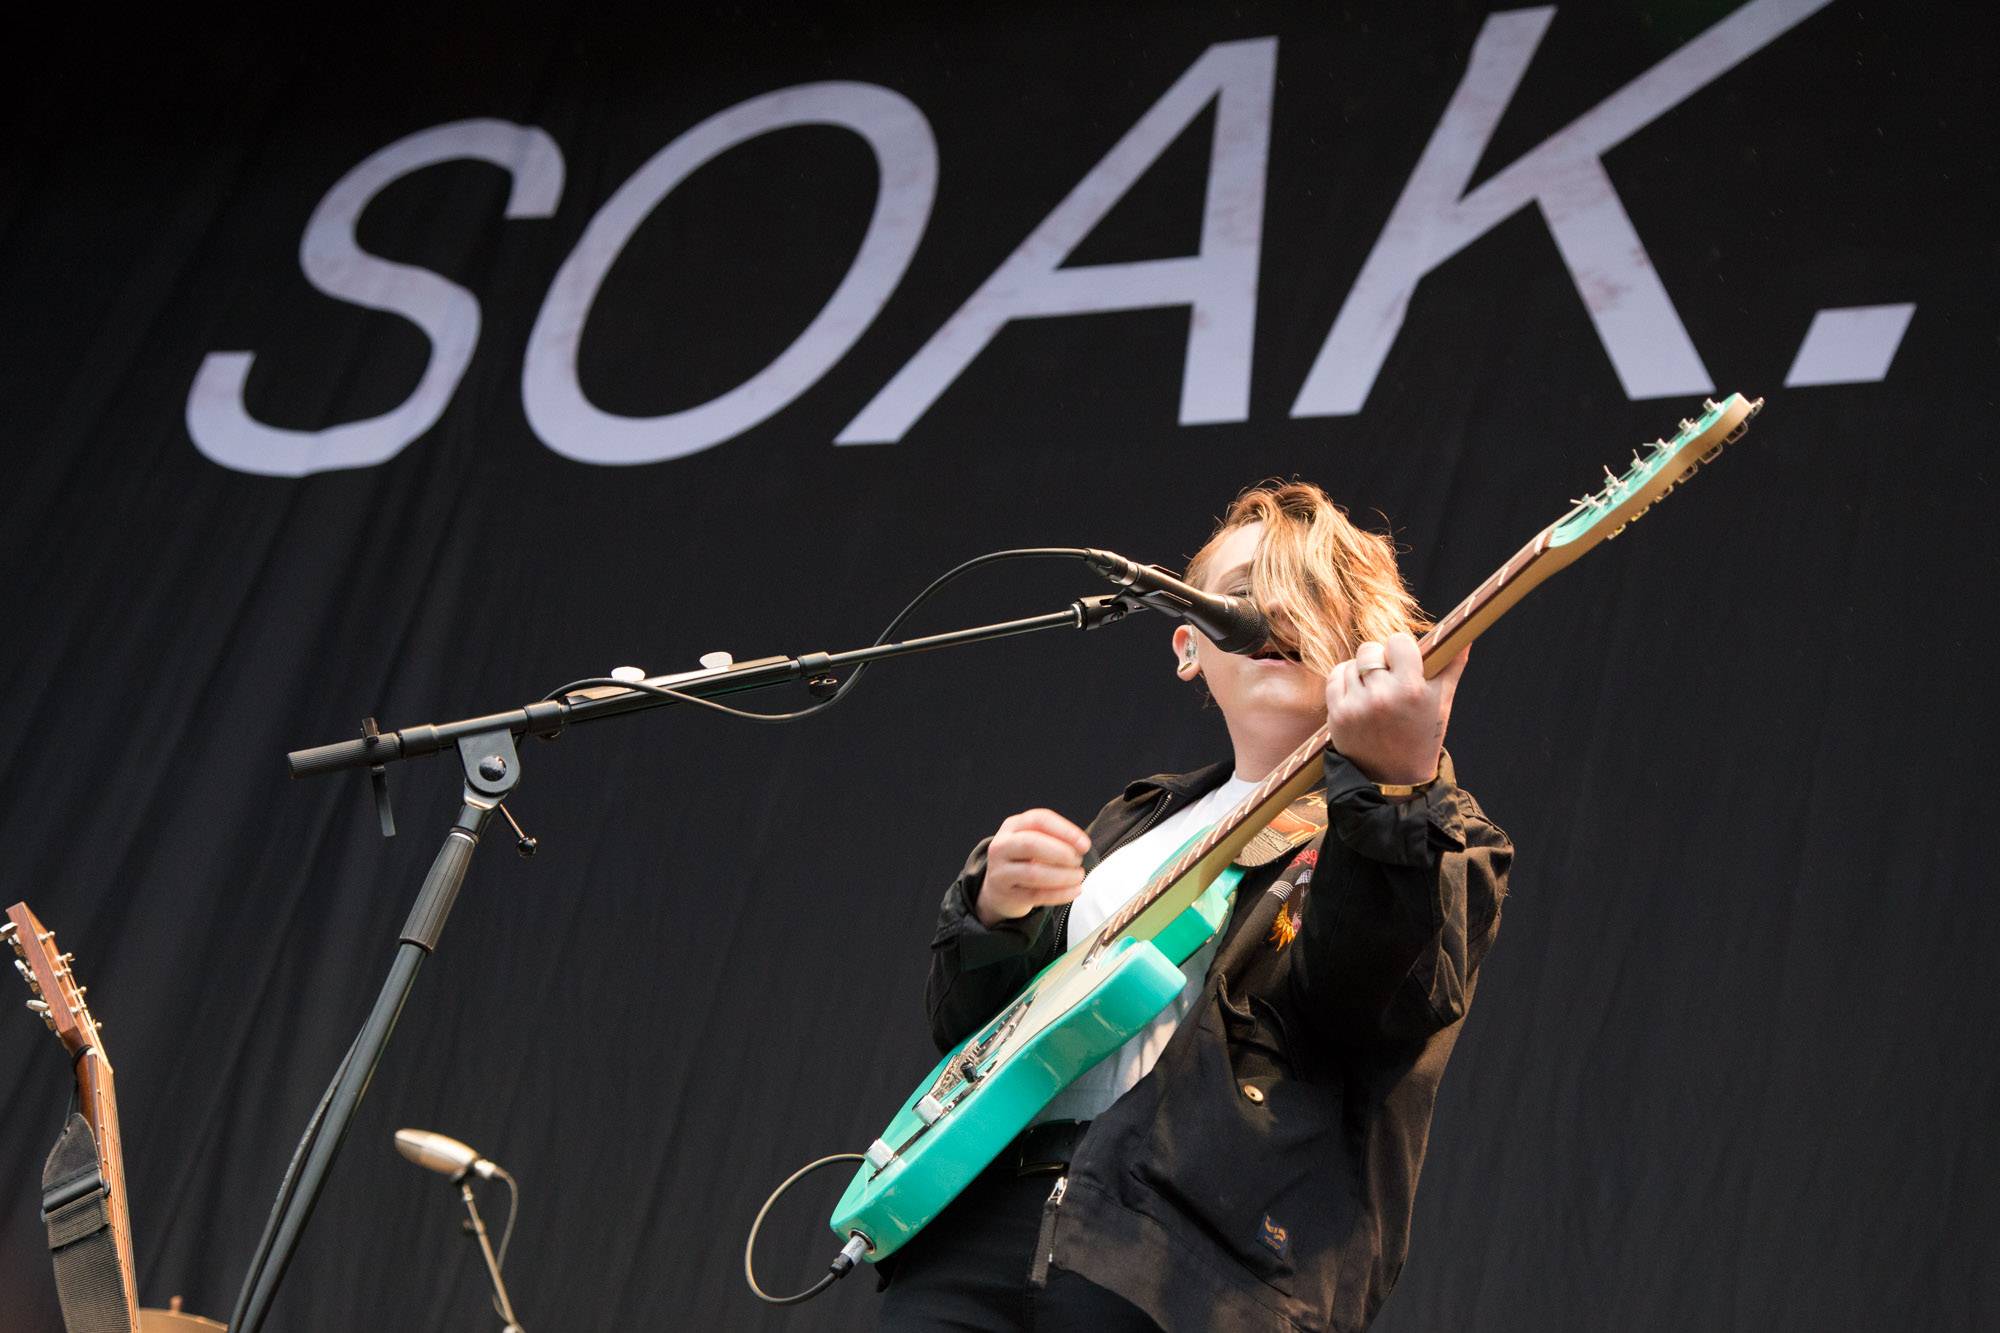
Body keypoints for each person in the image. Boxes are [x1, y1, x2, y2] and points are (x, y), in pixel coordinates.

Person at [876, 481, 1514, 1332]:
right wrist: (994, 918)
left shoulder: (1434, 830)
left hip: (1183, 1270)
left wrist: (1396, 788)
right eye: (1243, 595)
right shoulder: (1134, 821)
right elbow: (976, 1038)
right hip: (982, 1233)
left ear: (1372, 639)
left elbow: (1369, 1007)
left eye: (1312, 592)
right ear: (1187, 644)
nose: (1275, 613)